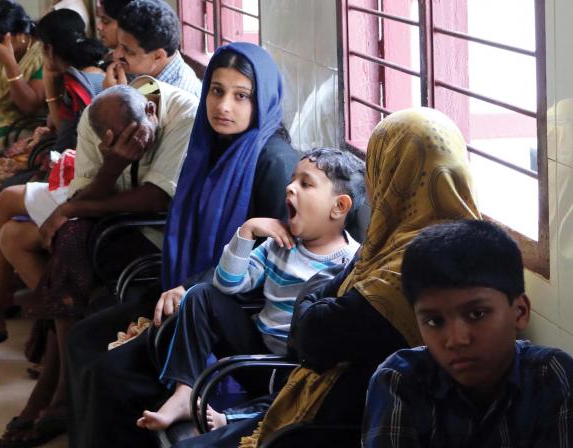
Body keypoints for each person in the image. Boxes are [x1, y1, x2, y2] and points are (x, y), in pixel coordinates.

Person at [175, 107, 482, 448]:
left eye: (380, 168)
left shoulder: (405, 266)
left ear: (396, 178)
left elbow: (311, 338)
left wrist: (313, 292)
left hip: (337, 425)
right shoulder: (474, 246)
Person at [64, 42, 298, 448]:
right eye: (216, 90)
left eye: (241, 96)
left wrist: (190, 290)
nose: (224, 106)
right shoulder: (207, 144)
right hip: (180, 288)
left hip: (225, 316)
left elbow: (274, 261)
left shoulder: (273, 162)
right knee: (83, 336)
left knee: (112, 372)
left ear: (262, 100)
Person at [0, 79, 197, 448]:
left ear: (150, 112)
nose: (134, 147)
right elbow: (87, 190)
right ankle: (57, 392)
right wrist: (113, 164)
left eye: (138, 138)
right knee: (67, 239)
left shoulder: (183, 112)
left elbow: (154, 198)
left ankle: (52, 393)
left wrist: (71, 209)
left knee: (67, 232)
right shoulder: (94, 118)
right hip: (110, 225)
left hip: (155, 235)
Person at [136, 147, 365, 431]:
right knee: (201, 296)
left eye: (305, 184)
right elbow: (227, 284)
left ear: (339, 207)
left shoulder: (354, 263)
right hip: (254, 356)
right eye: (292, 180)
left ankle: (228, 419)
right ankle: (184, 393)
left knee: (306, 392)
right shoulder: (279, 245)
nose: (290, 187)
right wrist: (247, 231)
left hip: (295, 369)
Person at [362, 219, 573, 447]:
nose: (456, 340)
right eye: (434, 321)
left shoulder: (550, 376)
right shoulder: (399, 382)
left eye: (477, 314)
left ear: (520, 312)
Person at [0, 8, 106, 344]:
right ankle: (8, 309)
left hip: (81, 184)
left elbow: (66, 140)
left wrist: (47, 87)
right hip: (69, 171)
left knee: (3, 194)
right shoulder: (83, 75)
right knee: (8, 225)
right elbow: (59, 129)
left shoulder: (81, 82)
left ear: (46, 50)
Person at [0, 0, 44, 159]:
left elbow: (29, 107)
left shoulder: (41, 55)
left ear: (21, 35)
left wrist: (9, 62)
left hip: (23, 124)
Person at [104, 0, 201, 97]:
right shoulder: (144, 69)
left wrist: (116, 97)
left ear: (158, 56)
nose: (116, 54)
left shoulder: (180, 98)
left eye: (128, 51)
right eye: (119, 44)